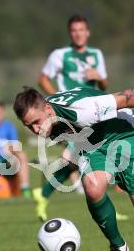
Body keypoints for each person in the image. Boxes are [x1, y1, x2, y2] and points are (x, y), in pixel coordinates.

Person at [13, 86, 134, 251]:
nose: (36, 129)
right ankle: (118, 246)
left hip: (125, 134)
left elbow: (125, 98)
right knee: (92, 188)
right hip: (95, 144)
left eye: (36, 122)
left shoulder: (83, 110)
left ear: (47, 108)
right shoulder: (49, 117)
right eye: (29, 126)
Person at [33, 14, 122, 222]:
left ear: (88, 32)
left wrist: (98, 77)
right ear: (70, 33)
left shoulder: (96, 54)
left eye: (81, 30)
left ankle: (44, 193)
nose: (78, 34)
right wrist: (56, 101)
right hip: (71, 116)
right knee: (92, 156)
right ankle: (106, 208)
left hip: (94, 113)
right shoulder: (60, 55)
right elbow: (42, 79)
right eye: (74, 30)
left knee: (80, 159)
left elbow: (104, 86)